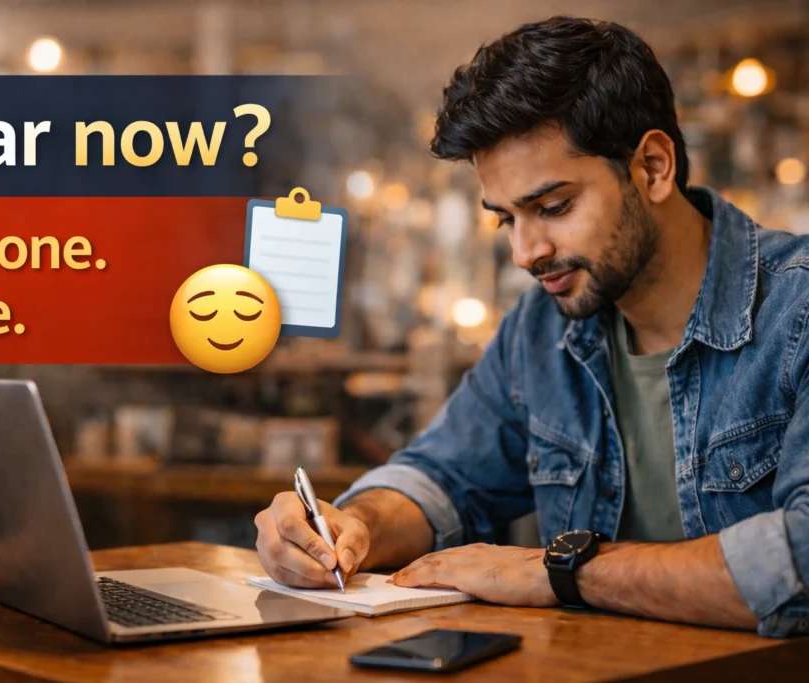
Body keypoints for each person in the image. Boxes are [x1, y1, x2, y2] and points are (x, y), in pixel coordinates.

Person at [254, 15, 809, 638]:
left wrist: (561, 572)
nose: (525, 252)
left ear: (653, 166)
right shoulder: (540, 331)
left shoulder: (798, 310)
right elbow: (441, 477)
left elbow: (802, 562)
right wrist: (348, 525)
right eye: (505, 219)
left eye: (553, 207)